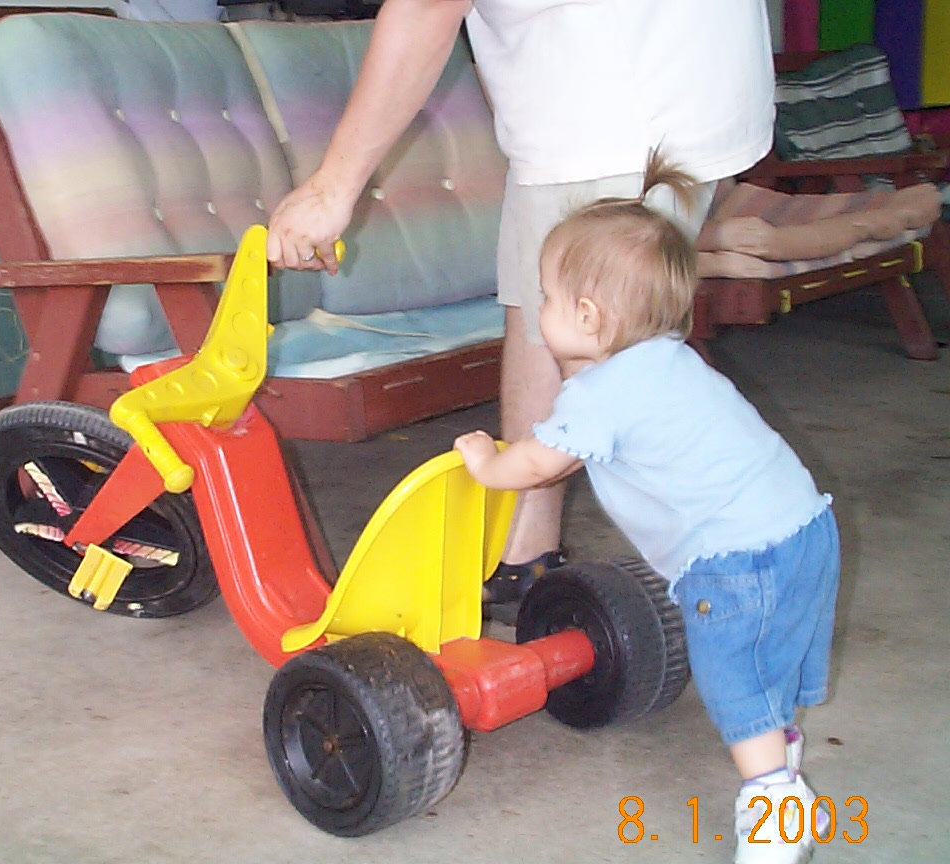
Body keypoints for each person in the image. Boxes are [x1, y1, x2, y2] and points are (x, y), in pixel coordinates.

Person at [265, 0, 777, 618]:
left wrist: (332, 188)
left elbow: (426, 8)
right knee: (563, 327)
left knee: (611, 359)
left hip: (611, 102)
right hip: (665, 87)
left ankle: (728, 562)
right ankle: (527, 555)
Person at [453, 154, 840, 864]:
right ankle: (784, 761)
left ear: (588, 316)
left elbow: (539, 462)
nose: (540, 308)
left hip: (736, 561)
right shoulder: (672, 359)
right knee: (770, 662)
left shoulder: (599, 394)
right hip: (806, 529)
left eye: (546, 296)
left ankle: (776, 808)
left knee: (733, 679)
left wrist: (486, 463)